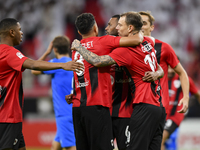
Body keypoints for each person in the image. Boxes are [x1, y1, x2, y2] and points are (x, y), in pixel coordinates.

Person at [71, 11, 166, 150]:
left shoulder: (125, 51)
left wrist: (79, 47)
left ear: (130, 28)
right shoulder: (147, 44)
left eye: (119, 25)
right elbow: (159, 68)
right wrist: (158, 73)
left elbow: (97, 61)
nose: (116, 28)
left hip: (141, 105)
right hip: (157, 107)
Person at [0, 18, 83, 150]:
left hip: (9, 117)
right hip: (8, 117)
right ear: (11, 32)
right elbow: (32, 65)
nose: (22, 33)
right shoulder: (9, 52)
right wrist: (62, 65)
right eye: (19, 29)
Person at [138, 11, 190, 150]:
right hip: (135, 106)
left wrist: (185, 97)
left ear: (152, 27)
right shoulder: (128, 48)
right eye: (139, 23)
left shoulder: (163, 47)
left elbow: (182, 73)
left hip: (158, 107)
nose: (141, 26)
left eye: (144, 23)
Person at [31, 36, 76, 150]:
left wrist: (46, 52)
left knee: (70, 147)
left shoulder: (55, 64)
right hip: (75, 110)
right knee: (56, 146)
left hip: (64, 113)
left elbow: (34, 70)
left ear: (55, 49)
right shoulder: (74, 63)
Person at [163, 65, 200, 150]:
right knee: (166, 143)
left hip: (175, 116)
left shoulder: (184, 79)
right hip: (162, 116)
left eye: (171, 68)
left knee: (162, 139)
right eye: (168, 68)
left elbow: (197, 94)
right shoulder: (161, 78)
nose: (169, 71)